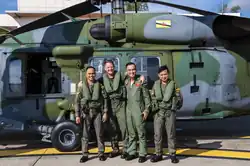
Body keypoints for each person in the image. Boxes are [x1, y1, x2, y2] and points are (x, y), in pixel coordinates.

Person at [75, 66, 108, 163]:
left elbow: (105, 99)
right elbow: (77, 101)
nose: (91, 75)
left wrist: (105, 112)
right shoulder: (81, 87)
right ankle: (85, 154)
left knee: (100, 134)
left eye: (93, 73)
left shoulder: (100, 86)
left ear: (95, 74)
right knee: (85, 135)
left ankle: (101, 153)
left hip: (97, 112)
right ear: (86, 74)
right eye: (89, 74)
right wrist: (77, 115)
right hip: (86, 113)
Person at [98, 59, 129, 158]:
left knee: (124, 128)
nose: (110, 68)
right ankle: (115, 149)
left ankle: (126, 149)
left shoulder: (120, 76)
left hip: (120, 105)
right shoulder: (102, 79)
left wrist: (140, 78)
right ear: (104, 68)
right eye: (108, 67)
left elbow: (131, 78)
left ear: (114, 67)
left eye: (111, 66)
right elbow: (93, 82)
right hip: (109, 106)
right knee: (112, 129)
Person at [150, 65, 179, 163]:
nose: (164, 76)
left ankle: (172, 154)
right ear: (158, 75)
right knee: (157, 135)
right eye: (161, 75)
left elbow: (179, 97)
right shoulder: (155, 84)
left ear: (168, 74)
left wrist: (175, 106)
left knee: (171, 134)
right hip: (159, 113)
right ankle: (158, 154)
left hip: (169, 112)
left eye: (165, 74)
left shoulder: (173, 84)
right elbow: (153, 98)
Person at [124, 62, 151, 163]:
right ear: (127, 71)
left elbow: (147, 97)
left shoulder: (140, 81)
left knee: (141, 133)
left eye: (133, 69)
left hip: (139, 110)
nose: (132, 72)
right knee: (131, 133)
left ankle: (143, 153)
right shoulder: (126, 81)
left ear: (136, 70)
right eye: (129, 70)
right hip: (129, 110)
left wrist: (146, 110)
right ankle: (132, 152)